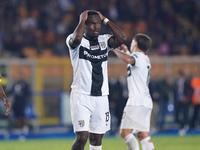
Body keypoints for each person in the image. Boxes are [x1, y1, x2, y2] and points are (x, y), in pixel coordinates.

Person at [66, 10, 126, 150]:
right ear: (85, 25)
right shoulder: (75, 41)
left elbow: (122, 39)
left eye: (98, 23)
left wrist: (105, 19)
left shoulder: (104, 40)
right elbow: (76, 40)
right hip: (81, 96)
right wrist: (81, 19)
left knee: (97, 137)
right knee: (82, 137)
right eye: (92, 24)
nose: (96, 27)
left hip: (101, 97)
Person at [112, 33, 155, 150]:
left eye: (132, 42)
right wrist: (126, 52)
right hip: (146, 101)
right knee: (143, 135)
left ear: (135, 43)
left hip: (136, 101)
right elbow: (131, 59)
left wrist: (113, 49)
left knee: (124, 132)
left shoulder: (137, 56)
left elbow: (128, 59)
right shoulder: (145, 58)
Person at [173, 70, 193, 135]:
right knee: (177, 114)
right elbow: (175, 92)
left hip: (185, 101)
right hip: (178, 101)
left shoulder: (186, 82)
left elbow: (191, 90)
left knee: (185, 114)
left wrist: (187, 98)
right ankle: (182, 125)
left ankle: (185, 126)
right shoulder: (176, 83)